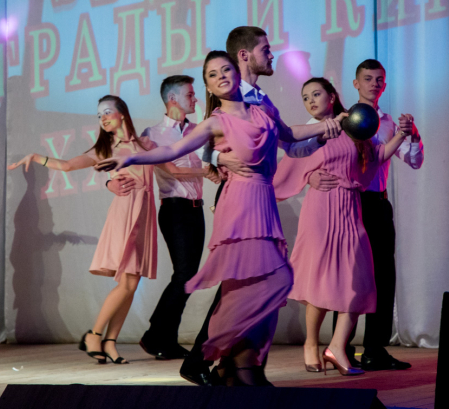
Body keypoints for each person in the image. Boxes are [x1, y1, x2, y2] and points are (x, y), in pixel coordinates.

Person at [96, 51, 342, 386]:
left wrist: (328, 126)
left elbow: (290, 134)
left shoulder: (262, 109)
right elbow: (173, 151)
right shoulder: (215, 122)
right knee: (270, 281)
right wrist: (128, 159)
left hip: (264, 200)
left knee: (259, 284)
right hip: (239, 203)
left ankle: (237, 366)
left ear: (237, 74)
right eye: (212, 75)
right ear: (209, 86)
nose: (221, 76)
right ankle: (234, 363)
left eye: (225, 69)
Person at [180, 26, 330, 386]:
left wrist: (323, 132)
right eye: (266, 49)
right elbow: (205, 144)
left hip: (258, 193)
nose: (271, 55)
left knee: (249, 283)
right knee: (245, 283)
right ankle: (220, 362)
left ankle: (229, 366)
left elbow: (288, 142)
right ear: (245, 55)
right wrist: (219, 158)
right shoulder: (231, 96)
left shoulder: (259, 98)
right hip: (240, 194)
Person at [8, 95, 207, 364]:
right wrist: (36, 157)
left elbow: (174, 170)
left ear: (122, 113)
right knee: (126, 284)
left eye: (107, 112)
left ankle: (110, 343)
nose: (102, 118)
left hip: (145, 214)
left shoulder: (146, 144)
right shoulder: (106, 148)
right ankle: (93, 334)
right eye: (99, 115)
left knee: (131, 284)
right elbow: (67, 165)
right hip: (125, 214)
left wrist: (210, 172)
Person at [273, 77, 414, 375]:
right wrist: (308, 176)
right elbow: (290, 165)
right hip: (320, 210)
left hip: (350, 208)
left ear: (332, 96)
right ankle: (311, 344)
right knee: (320, 280)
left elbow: (376, 157)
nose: (311, 101)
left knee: (359, 281)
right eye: (305, 97)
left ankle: (336, 346)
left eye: (316, 94)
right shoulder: (311, 131)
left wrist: (402, 134)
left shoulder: (353, 126)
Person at [316, 60, 423, 371]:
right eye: (368, 78)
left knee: (383, 277)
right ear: (355, 84)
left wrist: (413, 136)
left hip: (378, 203)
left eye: (379, 79)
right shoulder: (343, 120)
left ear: (384, 85)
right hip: (350, 202)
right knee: (348, 276)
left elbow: (414, 161)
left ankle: (375, 349)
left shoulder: (388, 123)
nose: (374, 84)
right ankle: (341, 347)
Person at [105, 75, 218, 361]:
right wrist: (109, 182)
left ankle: (165, 338)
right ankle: (155, 334)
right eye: (190, 94)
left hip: (196, 208)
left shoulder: (198, 130)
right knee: (185, 275)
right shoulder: (152, 135)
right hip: (175, 210)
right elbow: (169, 169)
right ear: (172, 99)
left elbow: (212, 160)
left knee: (189, 275)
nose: (195, 99)